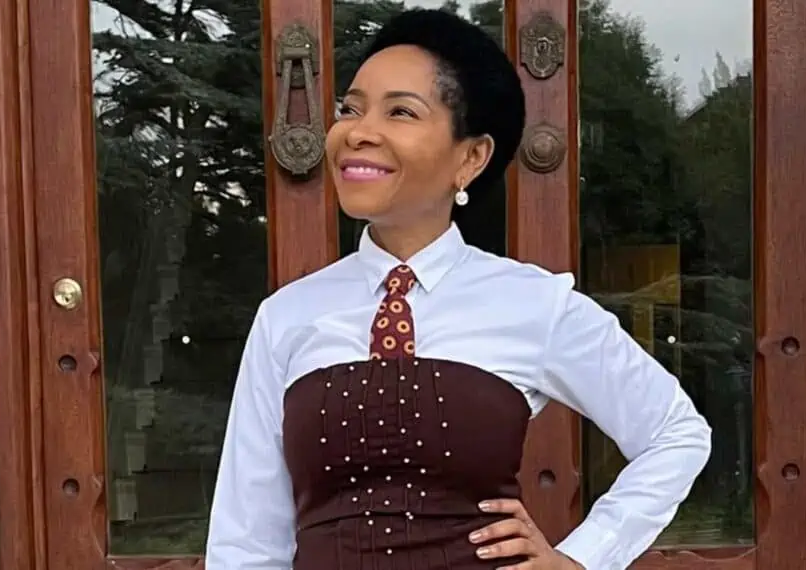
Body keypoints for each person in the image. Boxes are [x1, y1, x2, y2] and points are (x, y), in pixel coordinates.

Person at [205, 8, 711, 570]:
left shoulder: (533, 304)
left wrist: (582, 557)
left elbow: (675, 432)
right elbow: (246, 539)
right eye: (350, 108)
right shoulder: (286, 316)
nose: (358, 131)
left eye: (400, 111)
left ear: (470, 157)